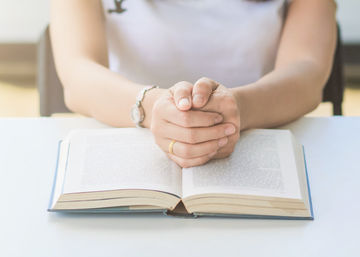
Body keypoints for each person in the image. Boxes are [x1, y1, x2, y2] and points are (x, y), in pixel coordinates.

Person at [50, 0, 337, 167]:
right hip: (129, 147)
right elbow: (78, 73)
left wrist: (238, 109)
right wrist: (153, 108)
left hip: (257, 150)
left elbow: (307, 72)